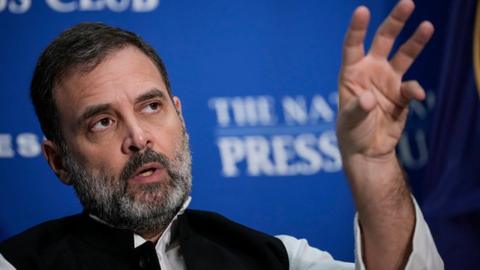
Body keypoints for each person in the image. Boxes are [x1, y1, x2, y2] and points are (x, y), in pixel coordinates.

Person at [0, 0, 443, 269]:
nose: (139, 137)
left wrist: (373, 162)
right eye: (102, 121)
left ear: (180, 116)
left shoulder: (276, 259)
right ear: (59, 161)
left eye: (151, 106)